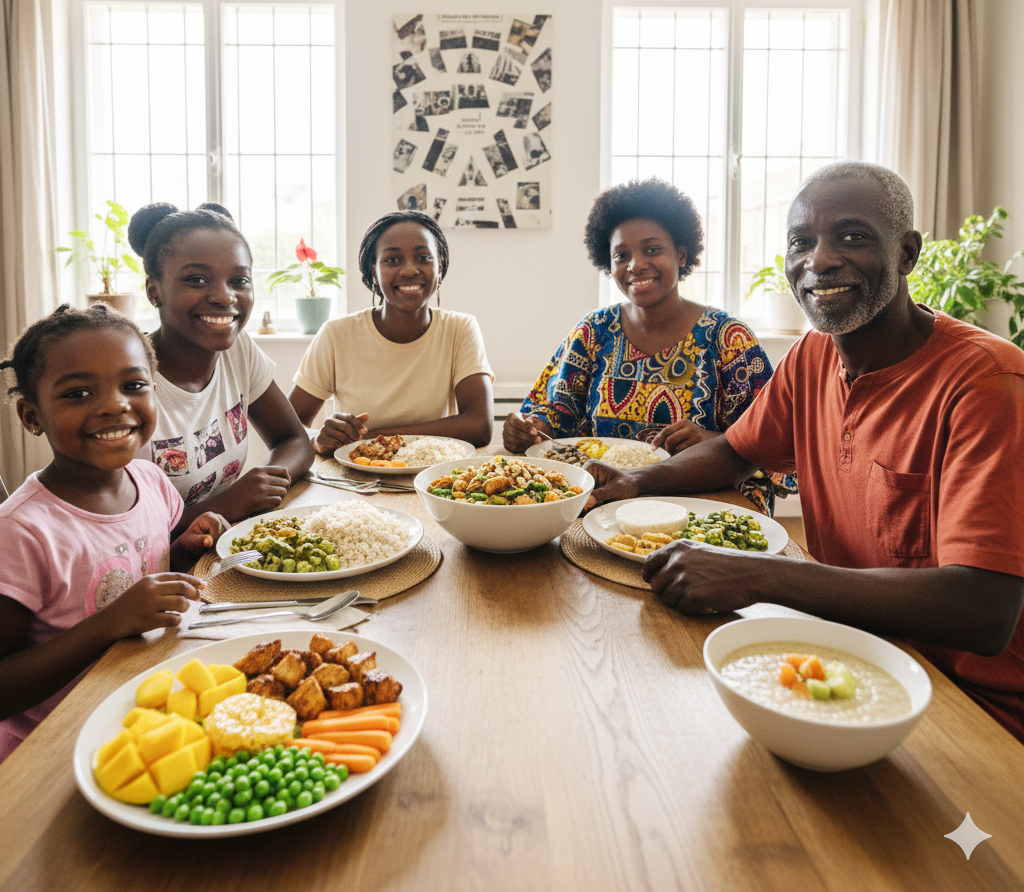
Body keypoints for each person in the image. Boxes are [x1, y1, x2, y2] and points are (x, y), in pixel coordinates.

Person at [586, 161, 1024, 741]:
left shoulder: (988, 382)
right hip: (853, 650)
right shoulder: (812, 356)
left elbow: (983, 610)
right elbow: (736, 450)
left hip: (972, 706)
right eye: (801, 242)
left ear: (908, 253)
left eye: (852, 237)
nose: (818, 260)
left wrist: (758, 575)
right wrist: (636, 484)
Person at [0, 304, 228, 762]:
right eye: (78, 392)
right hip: (51, 749)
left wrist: (183, 551)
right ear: (32, 415)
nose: (114, 405)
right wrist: (109, 624)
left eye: (134, 386)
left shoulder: (151, 482)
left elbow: (141, 574)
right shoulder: (22, 531)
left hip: (140, 718)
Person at [503, 177, 794, 515]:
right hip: (604, 502)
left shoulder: (728, 338)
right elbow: (554, 414)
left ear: (681, 255)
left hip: (701, 505)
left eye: (652, 249)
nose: (635, 265)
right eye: (621, 255)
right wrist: (528, 430)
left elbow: (774, 445)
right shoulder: (593, 332)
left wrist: (715, 438)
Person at [127, 202, 314, 534]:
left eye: (239, 280)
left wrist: (265, 483)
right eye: (197, 280)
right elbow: (124, 531)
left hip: (224, 545)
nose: (225, 296)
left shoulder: (236, 347)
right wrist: (227, 503)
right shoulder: (128, 382)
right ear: (154, 291)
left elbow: (294, 440)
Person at [288, 210, 494, 453]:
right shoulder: (336, 335)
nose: (409, 270)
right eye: (392, 260)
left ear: (440, 267)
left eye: (423, 258)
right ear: (373, 270)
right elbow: (290, 428)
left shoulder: (460, 329)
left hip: (431, 477)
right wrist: (318, 439)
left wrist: (376, 438)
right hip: (356, 478)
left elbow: (479, 426)